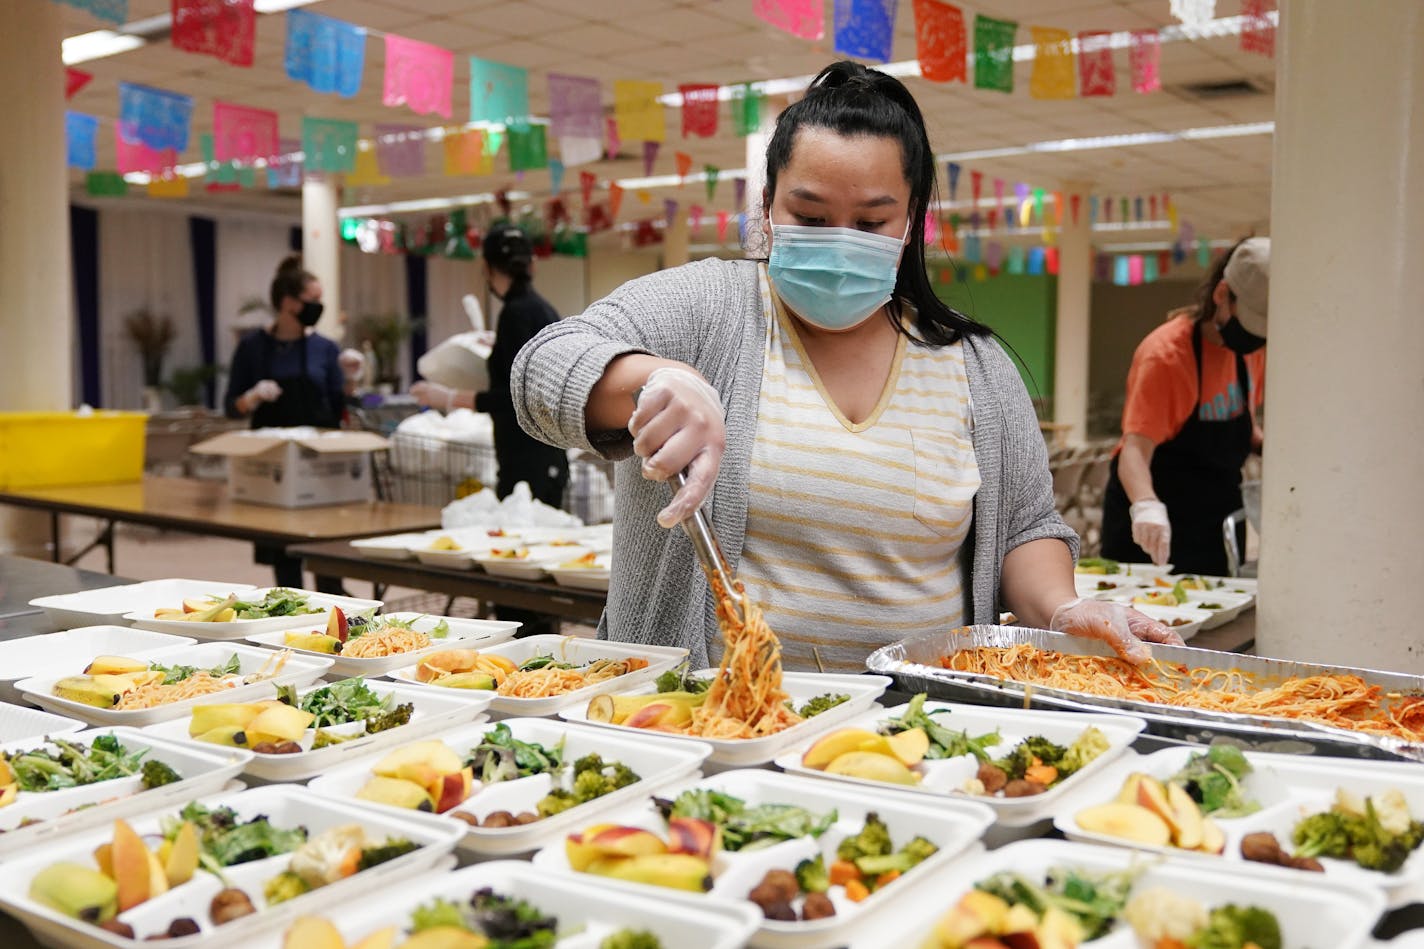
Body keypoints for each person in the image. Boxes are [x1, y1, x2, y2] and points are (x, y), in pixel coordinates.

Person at [512, 61, 1178, 672]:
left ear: (911, 220)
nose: (839, 242)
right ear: (767, 205)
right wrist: (651, 379)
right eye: (810, 215)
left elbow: (1026, 528)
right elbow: (540, 369)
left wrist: (1062, 609)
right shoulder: (706, 310)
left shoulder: (977, 367)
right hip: (711, 729)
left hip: (916, 734)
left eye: (870, 222)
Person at [1100, 238, 1269, 577]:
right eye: (1248, 321)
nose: (1254, 337)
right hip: (1157, 528)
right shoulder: (1167, 357)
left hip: (1215, 516)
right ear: (1221, 294)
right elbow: (1135, 450)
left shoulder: (1253, 350)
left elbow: (1241, 423)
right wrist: (1147, 507)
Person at [224, 255, 364, 588]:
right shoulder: (252, 348)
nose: (320, 306)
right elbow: (231, 407)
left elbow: (341, 404)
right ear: (289, 303)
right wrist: (253, 396)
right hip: (275, 467)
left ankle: (334, 611)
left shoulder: (325, 349)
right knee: (285, 561)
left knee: (329, 555)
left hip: (320, 464)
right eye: (313, 300)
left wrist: (352, 379)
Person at [412, 225, 569, 508]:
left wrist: (449, 397)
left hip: (525, 459)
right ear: (531, 264)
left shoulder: (515, 313)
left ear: (486, 266)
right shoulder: (540, 309)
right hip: (546, 456)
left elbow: (515, 396)